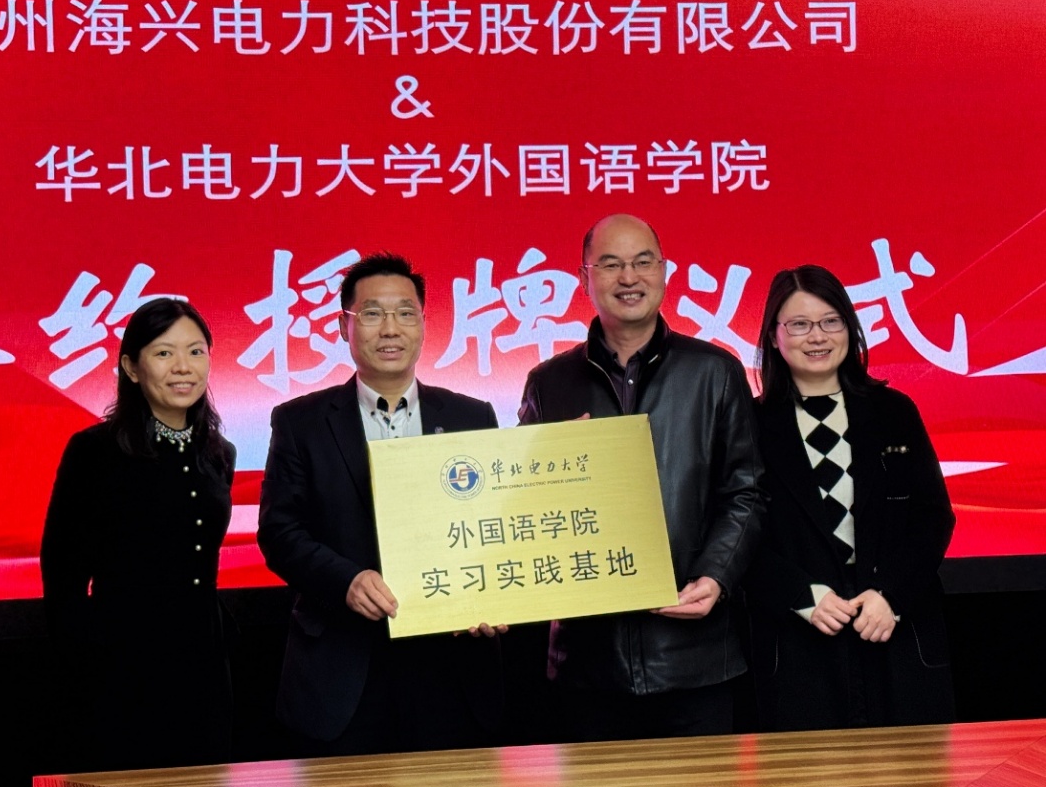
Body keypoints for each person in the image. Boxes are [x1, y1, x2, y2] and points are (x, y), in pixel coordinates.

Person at [518, 213, 764, 741]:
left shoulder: (716, 371)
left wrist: (715, 576)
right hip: (588, 664)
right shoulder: (549, 382)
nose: (628, 277)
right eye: (610, 264)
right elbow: (523, 504)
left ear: (665, 271)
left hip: (695, 658)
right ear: (583, 278)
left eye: (642, 262)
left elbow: (745, 492)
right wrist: (552, 467)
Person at [258, 252, 503, 756]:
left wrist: (494, 595)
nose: (390, 328)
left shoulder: (472, 417)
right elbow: (280, 533)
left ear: (423, 324)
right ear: (343, 326)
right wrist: (345, 580)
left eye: (405, 313)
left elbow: (494, 526)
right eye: (372, 313)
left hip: (451, 665)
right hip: (342, 667)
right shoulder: (301, 422)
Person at [746, 264, 956, 730]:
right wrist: (803, 595)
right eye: (799, 324)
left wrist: (890, 595)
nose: (817, 336)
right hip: (801, 644)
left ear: (850, 327)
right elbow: (738, 534)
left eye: (831, 321)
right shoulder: (750, 423)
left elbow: (933, 518)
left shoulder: (894, 411)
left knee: (913, 771)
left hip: (893, 631)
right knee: (812, 773)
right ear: (774, 336)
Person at [40, 298, 237, 770]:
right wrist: (84, 666)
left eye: (196, 352)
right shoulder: (94, 451)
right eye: (164, 353)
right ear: (131, 367)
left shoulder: (219, 453)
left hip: (204, 658)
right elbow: (63, 574)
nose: (183, 367)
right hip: (120, 662)